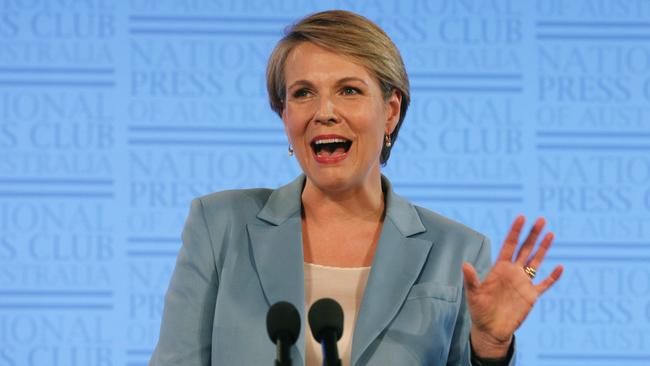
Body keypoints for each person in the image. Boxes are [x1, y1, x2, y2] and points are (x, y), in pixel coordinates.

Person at [149, 10, 563, 366]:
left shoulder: (457, 251)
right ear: (285, 115)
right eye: (303, 93)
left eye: (349, 90)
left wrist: (490, 347)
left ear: (391, 112)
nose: (324, 113)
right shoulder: (220, 225)